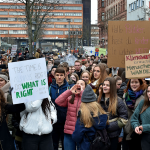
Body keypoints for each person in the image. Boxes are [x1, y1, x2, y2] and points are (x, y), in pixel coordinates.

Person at [72, 85, 108, 150]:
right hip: (101, 146)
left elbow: (76, 137)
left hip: (86, 147)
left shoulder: (83, 118)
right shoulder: (102, 114)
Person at [98, 77, 128, 150]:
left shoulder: (119, 101)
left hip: (113, 135)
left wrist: (108, 125)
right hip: (100, 135)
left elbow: (124, 119)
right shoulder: (98, 99)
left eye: (107, 85)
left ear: (112, 87)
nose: (104, 86)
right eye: (104, 85)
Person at [55, 80, 87, 150]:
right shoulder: (70, 97)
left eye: (82, 84)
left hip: (82, 132)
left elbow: (88, 103)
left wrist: (82, 92)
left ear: (85, 87)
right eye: (77, 84)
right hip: (69, 131)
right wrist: (70, 91)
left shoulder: (86, 97)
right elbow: (58, 101)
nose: (79, 85)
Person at [123, 79, 147, 150]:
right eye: (132, 82)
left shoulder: (145, 97)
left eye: (136, 82)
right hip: (126, 130)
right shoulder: (125, 95)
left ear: (140, 83)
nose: (134, 84)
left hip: (138, 132)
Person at [49, 67, 70, 150]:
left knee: (65, 144)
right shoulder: (50, 87)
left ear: (65, 76)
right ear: (54, 76)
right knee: (54, 144)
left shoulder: (69, 88)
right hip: (53, 121)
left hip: (65, 120)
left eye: (61, 75)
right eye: (57, 75)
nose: (59, 77)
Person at [131, 85, 150, 150]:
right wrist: (136, 126)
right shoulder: (143, 102)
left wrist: (145, 127)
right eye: (148, 91)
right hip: (145, 139)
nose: (149, 93)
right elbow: (134, 118)